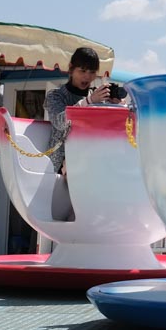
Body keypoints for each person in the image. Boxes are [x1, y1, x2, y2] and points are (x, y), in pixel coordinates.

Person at [43, 46, 126, 220]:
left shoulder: (98, 97)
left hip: (93, 162)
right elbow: (59, 122)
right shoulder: (56, 96)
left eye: (91, 72)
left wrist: (117, 105)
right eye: (82, 70)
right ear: (71, 68)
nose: (87, 77)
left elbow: (112, 128)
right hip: (64, 164)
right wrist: (88, 102)